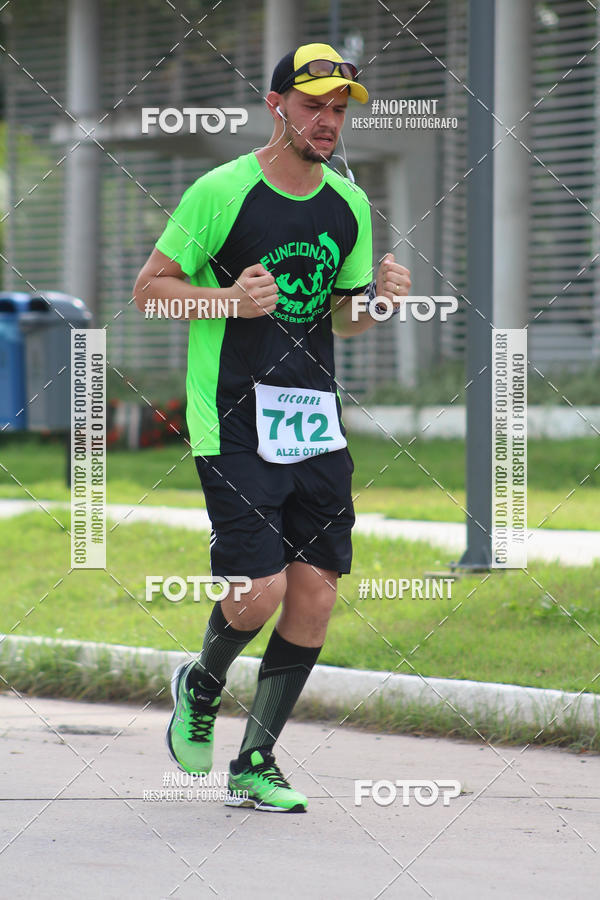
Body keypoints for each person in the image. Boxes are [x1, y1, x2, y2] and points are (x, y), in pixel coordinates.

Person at [133, 42, 411, 813]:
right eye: (314, 105)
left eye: (339, 109)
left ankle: (256, 760)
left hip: (313, 418)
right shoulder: (222, 192)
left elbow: (343, 321)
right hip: (230, 417)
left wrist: (378, 301)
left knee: (315, 594)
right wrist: (227, 300)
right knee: (258, 592)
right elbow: (149, 292)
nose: (328, 121)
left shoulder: (348, 205)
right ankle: (203, 681)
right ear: (276, 105)